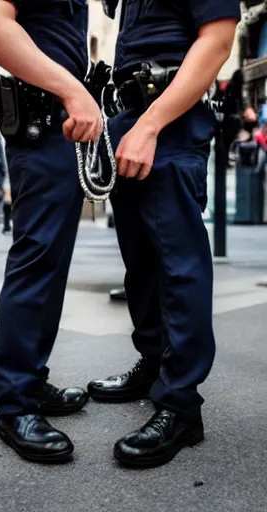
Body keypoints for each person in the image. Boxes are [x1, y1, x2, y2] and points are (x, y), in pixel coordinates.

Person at [87, 1, 240, 468]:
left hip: (167, 123)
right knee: (142, 263)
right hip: (129, 120)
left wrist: (151, 124)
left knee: (179, 266)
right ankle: (153, 365)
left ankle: (180, 404)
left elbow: (216, 41)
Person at [0, 0, 103, 463]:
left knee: (49, 263)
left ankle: (28, 378)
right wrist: (75, 91)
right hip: (44, 119)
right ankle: (15, 404)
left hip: (60, 125)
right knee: (36, 259)